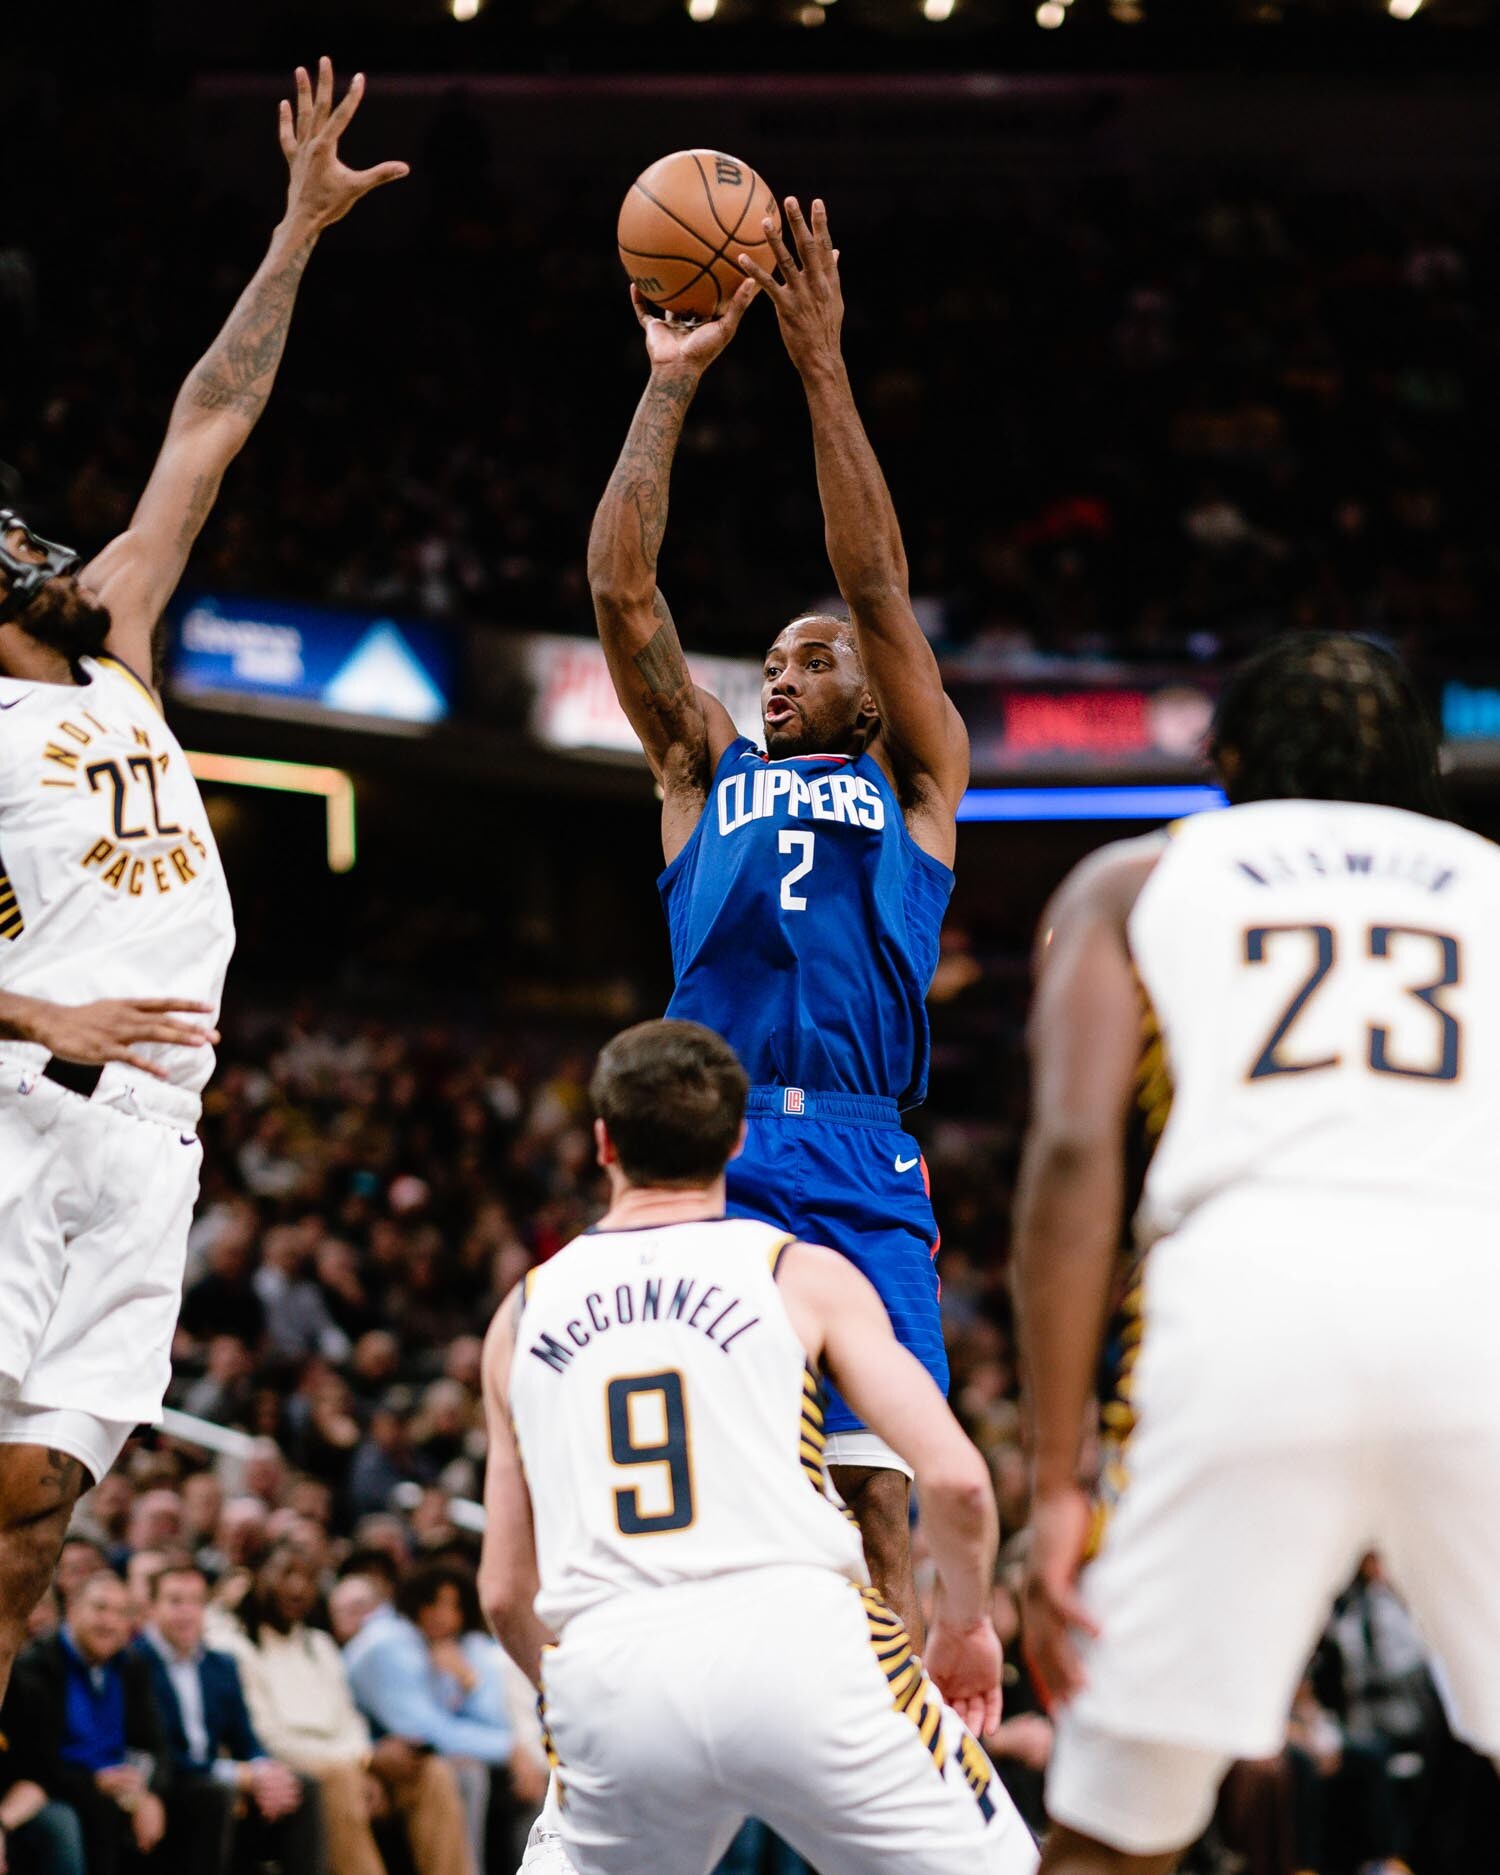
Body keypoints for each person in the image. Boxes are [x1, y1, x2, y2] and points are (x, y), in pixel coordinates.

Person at [0, 56, 407, 1704]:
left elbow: (210, 424)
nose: (37, 544)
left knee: (40, 1508)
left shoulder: (118, 638)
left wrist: (297, 233)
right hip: (27, 1104)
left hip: (158, 1131)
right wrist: (42, 1010)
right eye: (11, 546)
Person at [1011, 633, 1500, 1874]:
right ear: (1424, 765)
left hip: (1246, 1297)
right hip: (1476, 1292)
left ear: (1224, 761)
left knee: (1114, 1832)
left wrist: (1058, 1483)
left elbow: (1072, 1156)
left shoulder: (1133, 880)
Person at [587, 196, 969, 1642]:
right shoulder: (705, 769)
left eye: (813, 660)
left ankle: (896, 1750)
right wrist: (669, 384)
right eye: (772, 660)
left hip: (867, 1156)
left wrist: (821, 366)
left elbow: (876, 580)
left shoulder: (916, 779)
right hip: (721, 1150)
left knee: (879, 1507)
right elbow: (622, 588)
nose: (781, 674)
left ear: (875, 690)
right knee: (726, 1501)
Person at [479, 1019, 1037, 1875]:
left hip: (616, 1664)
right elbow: (959, 1480)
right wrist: (966, 1622)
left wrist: (577, 1702)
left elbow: (504, 1589)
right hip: (795, 1646)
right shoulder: (796, 1272)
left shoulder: (521, 1313)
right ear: (738, 1139)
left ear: (602, 1142)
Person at [212, 1543, 474, 1875]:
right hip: (294, 1766)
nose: (298, 1587)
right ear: (258, 1576)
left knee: (431, 1772)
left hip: (349, 1760)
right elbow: (269, 1739)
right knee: (339, 1779)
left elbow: (349, 1720)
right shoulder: (233, 1646)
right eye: (287, 1574)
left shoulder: (319, 1644)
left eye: (308, 1577)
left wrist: (365, 1764)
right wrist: (360, 1762)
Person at [135, 1560, 322, 1875]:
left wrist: (264, 1773)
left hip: (214, 1777)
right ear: (152, 1608)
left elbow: (246, 1739)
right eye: (176, 1602)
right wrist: (239, 1776)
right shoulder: (135, 1663)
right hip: (167, 1782)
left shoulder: (221, 1664)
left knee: (301, 1786)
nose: (187, 1613)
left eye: (196, 1602)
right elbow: (160, 1753)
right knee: (215, 1794)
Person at [341, 1561, 521, 1868]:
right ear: (414, 1600)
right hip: (365, 1757)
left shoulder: (450, 1645)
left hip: (408, 1756)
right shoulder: (385, 1643)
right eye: (434, 1603)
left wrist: (467, 1681)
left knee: (492, 1774)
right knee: (465, 1774)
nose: (444, 1616)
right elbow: (425, 1732)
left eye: (454, 1606)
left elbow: (495, 1721)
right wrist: (509, 1750)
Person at [1, 1572, 170, 1875]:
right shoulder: (35, 1668)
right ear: (72, 1609)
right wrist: (94, 1781)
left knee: (194, 1797)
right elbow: (36, 1764)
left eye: (121, 1613)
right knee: (88, 1812)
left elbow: (155, 1744)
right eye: (100, 1608)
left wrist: (149, 1794)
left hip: (123, 1786)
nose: (110, 1622)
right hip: (61, 1787)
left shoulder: (132, 1665)